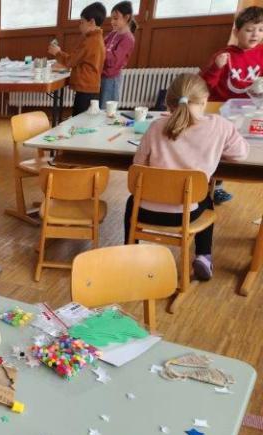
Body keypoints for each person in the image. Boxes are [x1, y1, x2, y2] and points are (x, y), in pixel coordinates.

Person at [127, 74, 248, 281]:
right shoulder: (220, 126)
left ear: (168, 103)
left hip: (146, 212)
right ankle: (203, 256)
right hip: (187, 214)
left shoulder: (156, 126)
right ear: (205, 100)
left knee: (132, 201)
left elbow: (138, 167)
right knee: (207, 199)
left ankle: (128, 252)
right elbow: (240, 154)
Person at [200, 5, 263, 204]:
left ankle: (217, 184)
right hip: (219, 111)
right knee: (216, 150)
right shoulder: (224, 55)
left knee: (236, 151)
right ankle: (209, 184)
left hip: (247, 113)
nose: (255, 34)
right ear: (237, 32)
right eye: (249, 29)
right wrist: (216, 68)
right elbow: (203, 86)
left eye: (260, 29)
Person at [48, 2, 106, 116]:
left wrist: (57, 52)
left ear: (92, 22)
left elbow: (70, 61)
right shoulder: (97, 39)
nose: (80, 25)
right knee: (86, 121)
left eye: (82, 22)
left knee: (79, 121)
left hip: (86, 90)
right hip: (92, 88)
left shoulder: (90, 41)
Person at [100, 1, 137, 107]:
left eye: (115, 18)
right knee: (100, 107)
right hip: (103, 75)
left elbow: (114, 61)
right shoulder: (113, 33)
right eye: (111, 18)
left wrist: (103, 51)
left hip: (112, 79)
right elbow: (100, 46)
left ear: (126, 18)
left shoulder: (128, 38)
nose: (112, 22)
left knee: (107, 110)